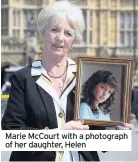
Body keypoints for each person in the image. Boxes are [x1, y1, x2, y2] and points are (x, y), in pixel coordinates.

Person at [2, 1, 134, 161]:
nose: (60, 38)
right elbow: (11, 135)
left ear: (74, 41)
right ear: (42, 33)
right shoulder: (23, 78)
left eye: (68, 33)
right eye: (54, 30)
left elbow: (95, 137)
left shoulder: (85, 79)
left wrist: (115, 134)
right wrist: (59, 135)